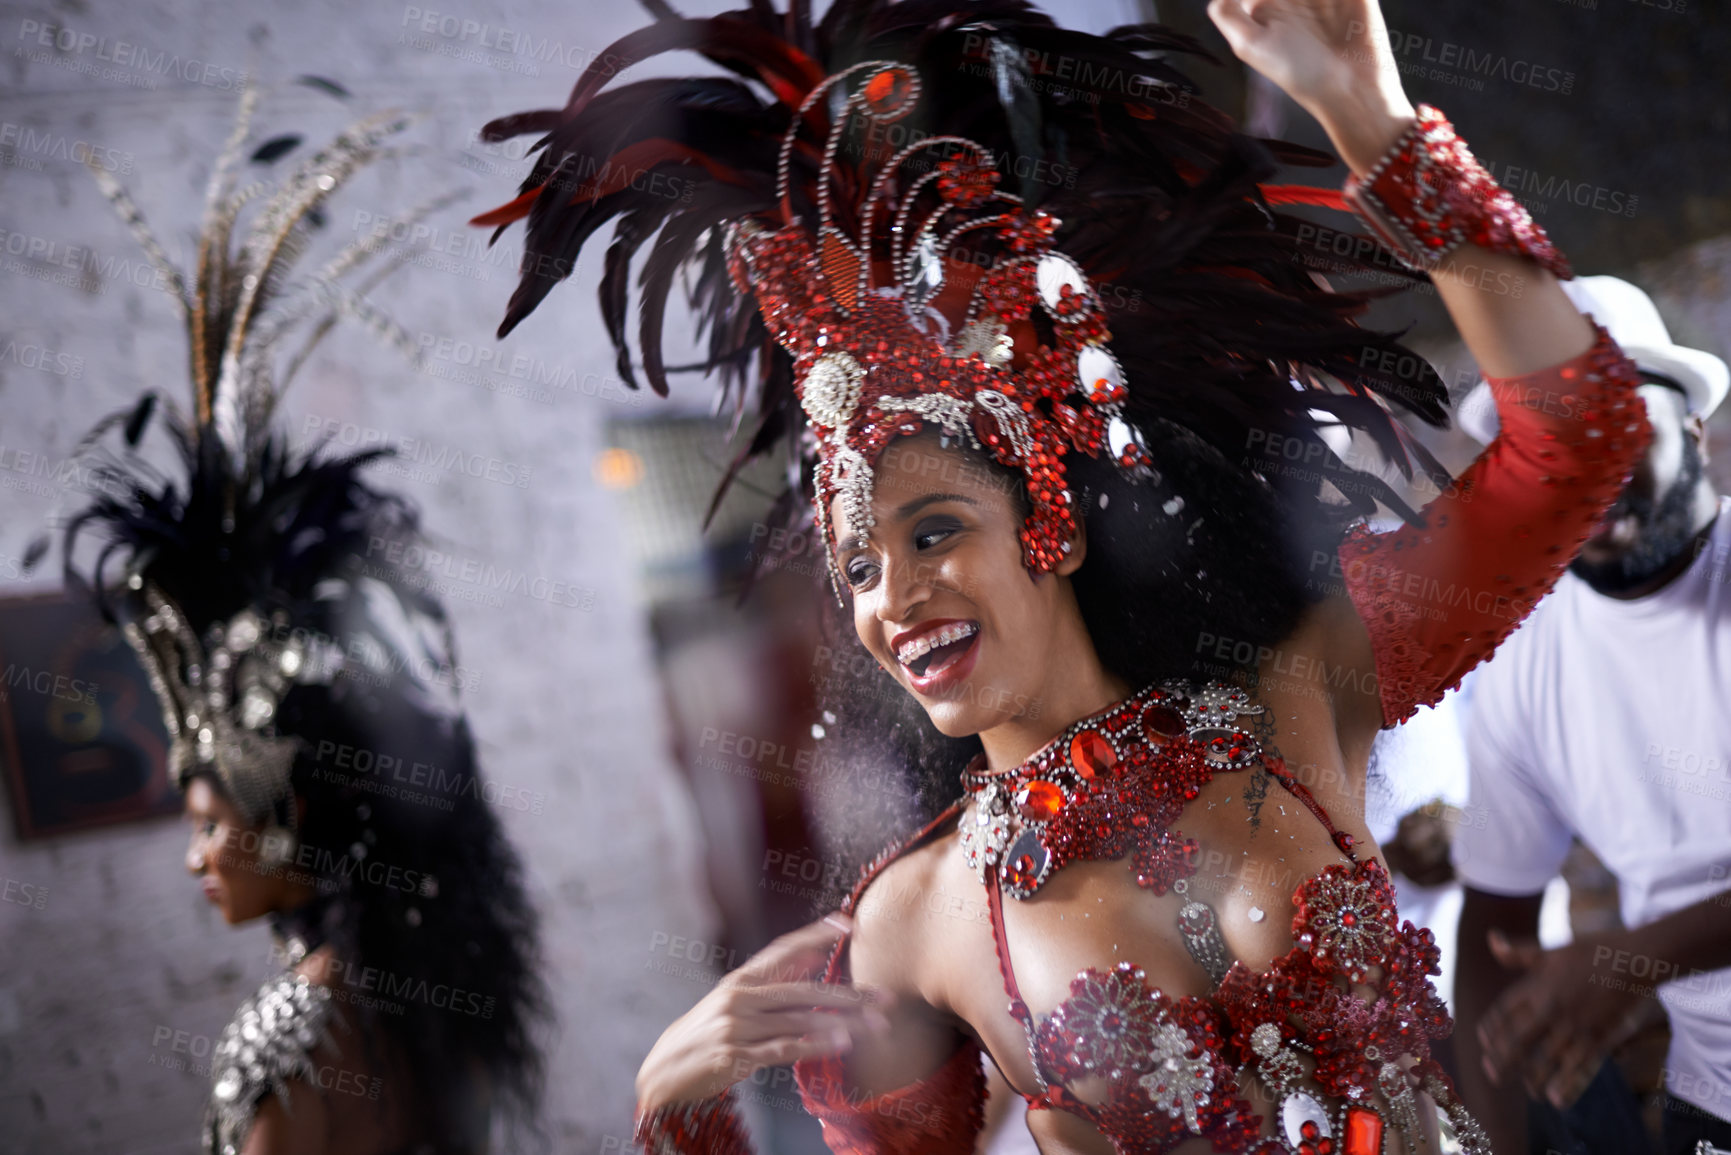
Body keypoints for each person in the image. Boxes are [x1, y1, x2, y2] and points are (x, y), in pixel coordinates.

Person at [475, 0, 1649, 1149]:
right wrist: (674, 1102)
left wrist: (1370, 118)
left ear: (1055, 520)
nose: (896, 597)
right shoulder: (912, 919)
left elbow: (1578, 438)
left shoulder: (1293, 693)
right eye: (859, 566)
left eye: (935, 532)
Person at [54, 86, 548, 1155]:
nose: (195, 857)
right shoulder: (428, 1006)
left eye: (207, 824)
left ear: (290, 820)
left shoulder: (290, 1038)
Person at [1450, 275, 1731, 1155]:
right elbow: (1494, 930)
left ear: (1692, 427)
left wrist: (1627, 962)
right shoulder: (1517, 660)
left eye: (1615, 423)